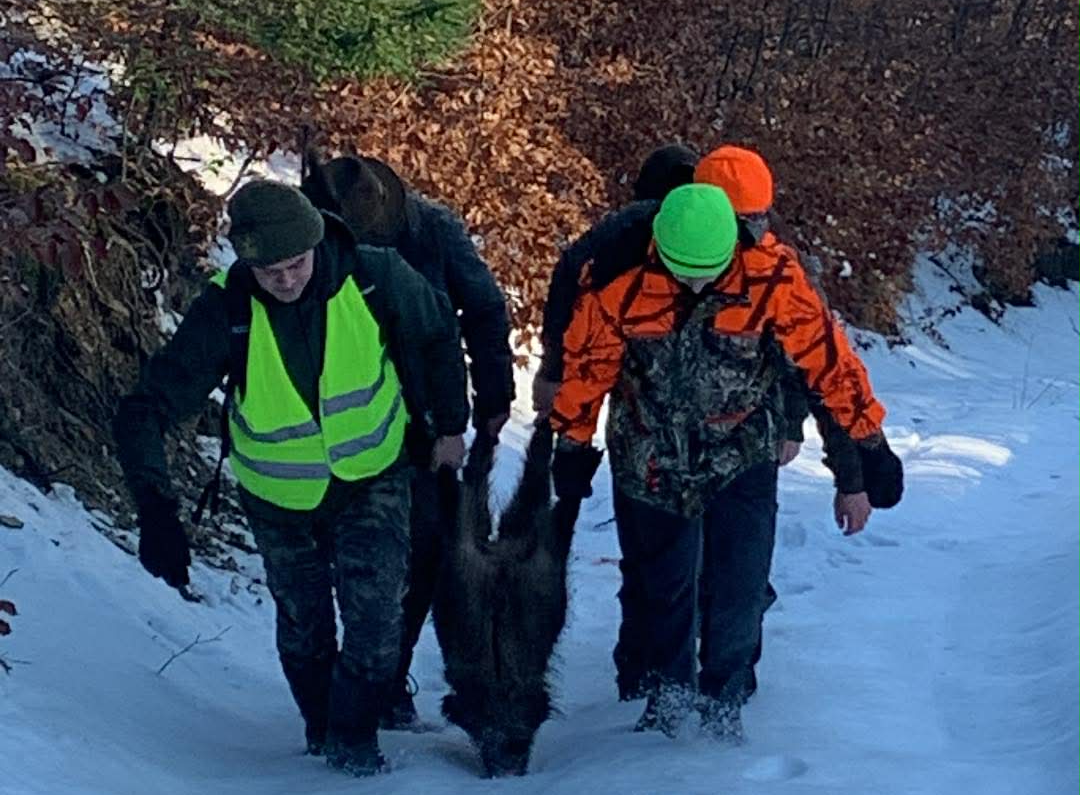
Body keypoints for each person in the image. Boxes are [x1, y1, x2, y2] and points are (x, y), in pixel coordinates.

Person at [115, 179, 468, 777]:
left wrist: (451, 425)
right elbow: (145, 410)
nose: (284, 280)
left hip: (373, 475)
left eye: (296, 264)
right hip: (277, 497)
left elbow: (438, 334)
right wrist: (156, 510)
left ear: (317, 242)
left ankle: (355, 745)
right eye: (268, 271)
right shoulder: (225, 310)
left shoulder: (375, 275)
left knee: (377, 618)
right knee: (305, 628)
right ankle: (321, 732)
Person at [549, 183, 901, 739]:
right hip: (652, 460)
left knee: (740, 587)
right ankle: (666, 703)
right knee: (664, 590)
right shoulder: (617, 281)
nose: (694, 286)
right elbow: (587, 370)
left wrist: (870, 444)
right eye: (682, 274)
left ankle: (724, 703)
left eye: (706, 274)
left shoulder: (772, 279)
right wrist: (572, 444)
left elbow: (829, 363)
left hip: (742, 453)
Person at [299, 148, 514, 728]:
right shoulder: (300, 248)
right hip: (336, 424)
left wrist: (494, 398)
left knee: (424, 551)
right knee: (347, 557)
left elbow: (485, 310)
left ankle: (388, 680)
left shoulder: (435, 230)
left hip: (425, 418)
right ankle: (348, 683)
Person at [533, 141, 697, 421]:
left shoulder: (631, 221)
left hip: (609, 357)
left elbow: (570, 273)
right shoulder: (727, 234)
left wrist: (553, 368)